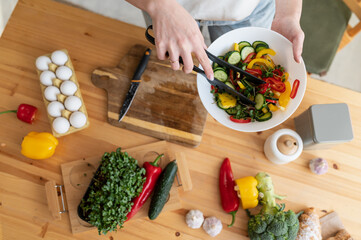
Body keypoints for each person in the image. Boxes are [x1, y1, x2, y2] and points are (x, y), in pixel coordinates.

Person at [126, 0, 304, 81]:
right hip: (168, 10)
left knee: (245, 74)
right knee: (173, 64)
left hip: (249, 8)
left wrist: (287, 14)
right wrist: (159, 6)